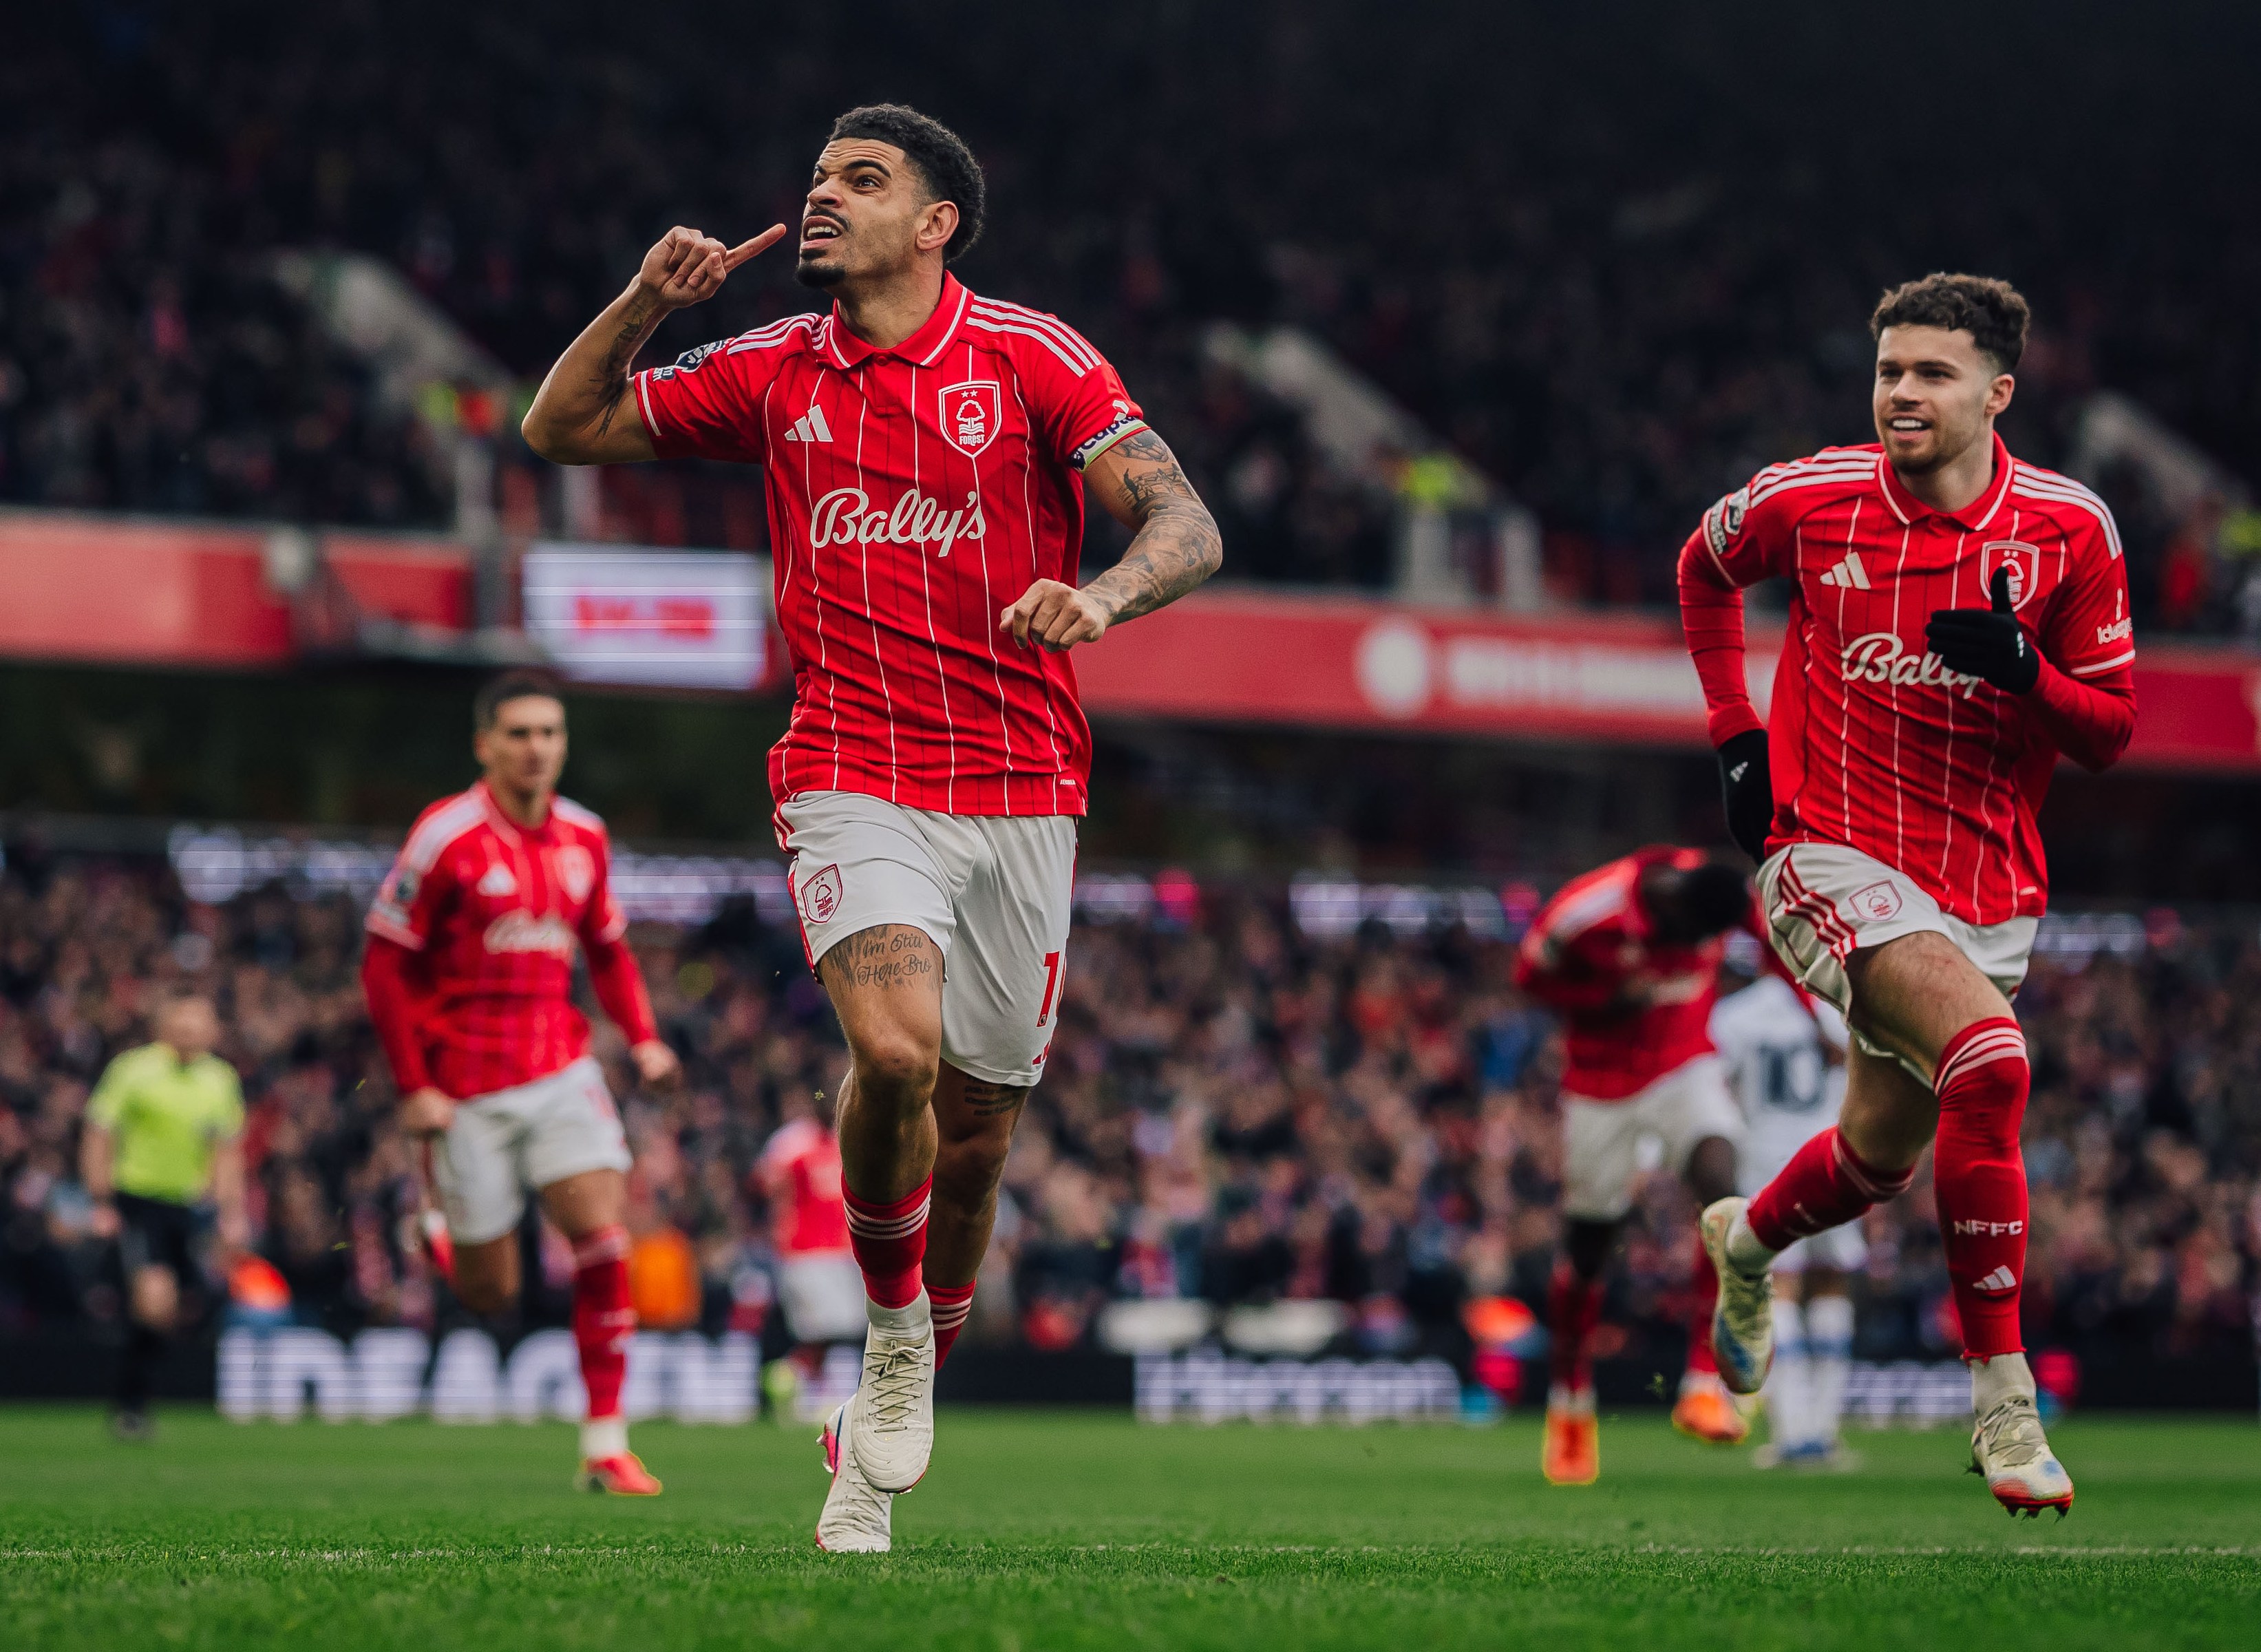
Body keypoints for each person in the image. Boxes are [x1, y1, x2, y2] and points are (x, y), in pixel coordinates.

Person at [521, 104, 1220, 1553]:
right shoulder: (774, 366)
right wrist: (651, 302)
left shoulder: (1029, 354)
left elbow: (1184, 524)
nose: (819, 198)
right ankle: (893, 1334)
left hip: (1025, 784)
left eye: (861, 180)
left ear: (935, 221)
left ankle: (884, 1401)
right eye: (819, 174)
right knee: (892, 1053)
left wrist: (1096, 598)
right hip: (849, 764)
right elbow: (563, 426)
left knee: (975, 1137)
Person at [1679, 273, 2136, 1516]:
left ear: (1998, 393)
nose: (1902, 395)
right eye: (1889, 372)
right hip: (1825, 853)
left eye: (1932, 375)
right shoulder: (1810, 497)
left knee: (1881, 1158)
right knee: (1992, 1061)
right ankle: (2002, 1402)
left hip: (1985, 884)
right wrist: (1736, 736)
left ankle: (1747, 1244)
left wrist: (2031, 674)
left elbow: (2109, 735)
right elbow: (1703, 569)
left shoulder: (2069, 530)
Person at [359, 671, 683, 1494]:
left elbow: (606, 949)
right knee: (491, 1293)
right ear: (486, 745)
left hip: (559, 1070)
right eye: (520, 734)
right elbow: (384, 962)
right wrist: (412, 1086)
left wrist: (642, 1040)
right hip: (464, 1087)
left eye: (550, 733)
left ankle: (607, 1443)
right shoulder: (445, 837)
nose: (537, 748)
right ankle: (433, 1234)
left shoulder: (586, 837)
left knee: (605, 1242)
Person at [1512, 847, 1761, 1485]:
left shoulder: (1714, 896)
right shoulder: (1585, 913)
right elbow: (1528, 979)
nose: (1696, 951)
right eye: (1689, 939)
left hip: (1685, 1068)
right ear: (1669, 907)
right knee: (1591, 1249)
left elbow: (1776, 942)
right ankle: (1569, 1407)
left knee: (1722, 1196)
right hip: (1600, 1088)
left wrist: (1820, 1014)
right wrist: (1602, 999)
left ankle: (1703, 1382)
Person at [1709, 962, 1860, 1468]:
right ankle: (1823, 1430)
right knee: (1832, 1284)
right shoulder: (1835, 1007)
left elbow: (1711, 1085)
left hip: (1766, 1165)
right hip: (1834, 1158)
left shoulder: (1735, 1015)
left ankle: (1793, 1432)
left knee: (1781, 1286)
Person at [81, 991, 247, 1438]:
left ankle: (134, 1394)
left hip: (189, 1207)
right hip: (138, 1199)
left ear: (213, 1030)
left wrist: (231, 1211)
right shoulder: (133, 1071)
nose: (190, 1030)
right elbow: (100, 1133)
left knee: (183, 1305)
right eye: (182, 1021)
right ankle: (131, 1404)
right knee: (154, 1300)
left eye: (200, 1022)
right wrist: (100, 1200)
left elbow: (226, 1150)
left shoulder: (220, 1079)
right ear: (164, 1026)